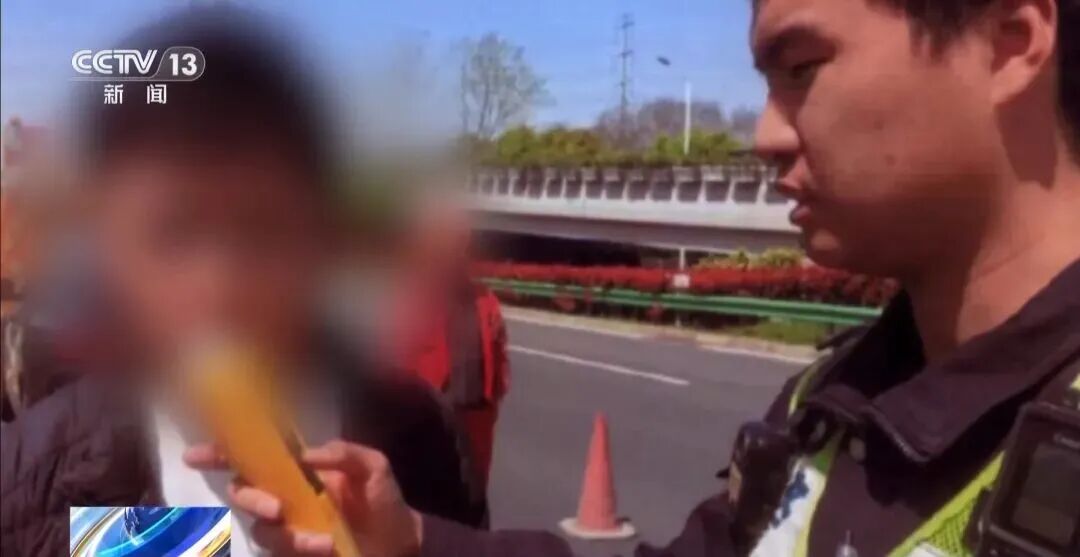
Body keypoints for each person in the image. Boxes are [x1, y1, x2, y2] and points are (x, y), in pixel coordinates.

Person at [186, 0, 1080, 555]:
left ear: (1010, 43)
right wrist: (409, 540)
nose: (765, 135)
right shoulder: (827, 405)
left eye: (803, 68)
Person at [0, 7, 486, 557]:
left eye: (264, 228)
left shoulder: (418, 436)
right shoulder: (33, 476)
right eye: (173, 232)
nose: (220, 288)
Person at [391, 201, 510, 486]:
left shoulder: (485, 299)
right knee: (428, 493)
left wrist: (493, 400)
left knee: (471, 492)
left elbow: (500, 358)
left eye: (458, 240)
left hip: (476, 420)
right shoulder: (411, 298)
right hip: (429, 420)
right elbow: (392, 371)